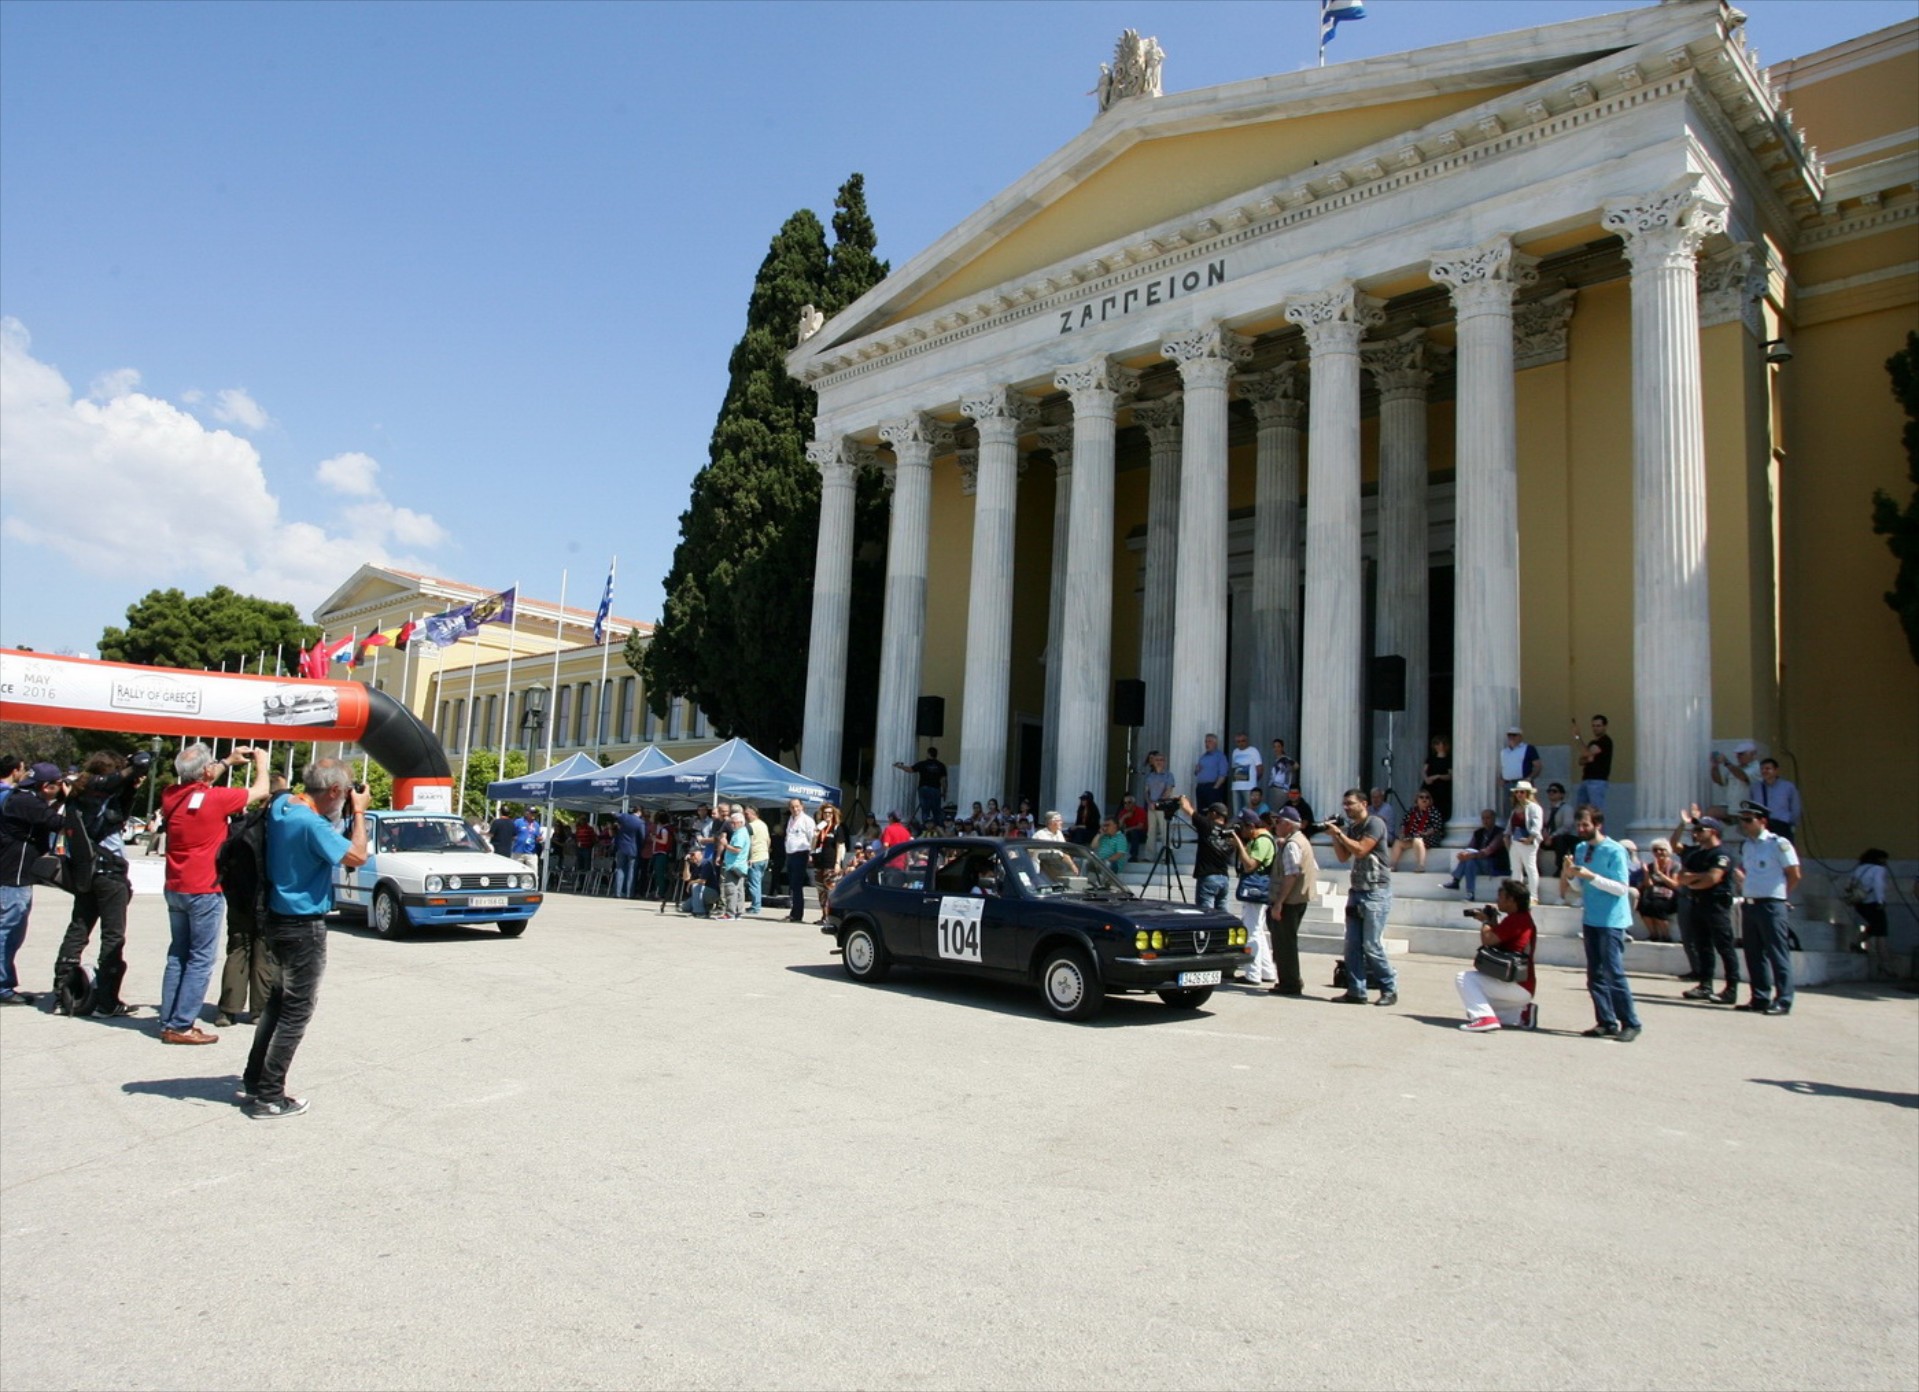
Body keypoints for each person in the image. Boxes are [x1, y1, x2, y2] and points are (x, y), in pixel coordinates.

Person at [246, 758, 369, 1119]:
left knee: (277, 1004)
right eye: (344, 793)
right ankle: (269, 1095)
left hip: (275, 916)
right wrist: (359, 813)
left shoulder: (283, 805)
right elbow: (358, 856)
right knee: (296, 1011)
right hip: (303, 924)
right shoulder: (312, 824)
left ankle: (256, 1079)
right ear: (333, 791)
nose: (347, 798)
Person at [157, 743, 270, 1045]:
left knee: (177, 954)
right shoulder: (216, 799)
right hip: (204, 888)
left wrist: (226, 761)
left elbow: (198, 777)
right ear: (207, 772)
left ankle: (169, 1019)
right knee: (200, 958)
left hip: (175, 886)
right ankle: (181, 1025)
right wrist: (262, 762)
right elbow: (260, 790)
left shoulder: (170, 796)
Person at [53, 748, 152, 1018]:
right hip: (108, 871)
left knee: (79, 927)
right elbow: (114, 784)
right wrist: (133, 768)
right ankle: (107, 1000)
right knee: (113, 935)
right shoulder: (98, 789)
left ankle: (63, 994)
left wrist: (130, 785)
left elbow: (118, 811)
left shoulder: (79, 792)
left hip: (86, 870)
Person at [1567, 805, 1641, 1041]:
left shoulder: (1615, 850)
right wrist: (1570, 876)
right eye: (1578, 825)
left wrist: (1593, 877)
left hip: (1612, 920)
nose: (1581, 829)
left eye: (1585, 825)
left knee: (1614, 973)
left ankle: (1630, 1022)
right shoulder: (1581, 848)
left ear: (1598, 825)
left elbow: (1621, 888)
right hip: (1591, 918)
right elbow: (1579, 887)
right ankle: (1606, 1021)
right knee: (1595, 974)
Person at [0, 762, 67, 1008]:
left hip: (11, 871)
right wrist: (69, 799)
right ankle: (2, 985)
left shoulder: (20, 797)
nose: (61, 788)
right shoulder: (27, 802)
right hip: (14, 875)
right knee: (10, 929)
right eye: (58, 784)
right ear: (45, 786)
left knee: (8, 928)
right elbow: (57, 823)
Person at [1327, 788, 1396, 1006]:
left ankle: (1389, 988)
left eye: (1350, 803)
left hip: (1376, 891)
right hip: (1357, 890)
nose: (1346, 808)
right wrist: (1336, 835)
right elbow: (1342, 856)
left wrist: (1339, 834)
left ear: (1364, 804)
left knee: (1372, 945)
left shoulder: (1374, 823)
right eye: (1344, 804)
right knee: (1352, 945)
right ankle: (1356, 990)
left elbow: (1361, 850)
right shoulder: (1352, 828)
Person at [1734, 801, 1800, 1014]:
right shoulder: (1747, 845)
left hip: (1771, 904)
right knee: (1753, 954)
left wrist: (1781, 896)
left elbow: (1794, 874)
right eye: (1742, 819)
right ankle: (1759, 997)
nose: (1744, 823)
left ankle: (1783, 999)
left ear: (1762, 820)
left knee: (1777, 953)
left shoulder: (1778, 844)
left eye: (1748, 819)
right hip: (1751, 904)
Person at [1674, 808, 1741, 1004]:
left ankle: (1731, 988)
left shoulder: (1721, 854)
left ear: (1712, 831)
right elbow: (1681, 876)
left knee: (1724, 947)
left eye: (1700, 829)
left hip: (1716, 905)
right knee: (1703, 946)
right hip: (1698, 903)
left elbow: (1712, 879)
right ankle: (1705, 985)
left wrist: (1693, 878)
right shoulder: (1696, 854)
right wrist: (1682, 824)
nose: (1696, 833)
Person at [1455, 879, 1538, 1032]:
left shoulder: (1516, 920)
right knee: (1476, 1004)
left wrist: (1486, 921)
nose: (1497, 900)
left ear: (1511, 900)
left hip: (1516, 986)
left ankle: (1484, 1019)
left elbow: (1488, 940)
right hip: (1522, 987)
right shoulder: (1522, 918)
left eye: (1500, 897)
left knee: (1464, 978)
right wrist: (1493, 922)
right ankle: (1522, 1014)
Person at [1266, 806, 1316, 996]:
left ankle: (1290, 983)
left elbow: (1292, 875)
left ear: (1287, 824)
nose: (1275, 825)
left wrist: (1279, 903)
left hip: (1289, 902)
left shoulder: (1292, 845)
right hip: (1299, 899)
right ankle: (1290, 979)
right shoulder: (1301, 841)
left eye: (1278, 822)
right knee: (1286, 941)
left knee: (1284, 943)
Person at [1229, 809, 1276, 985]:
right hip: (1257, 891)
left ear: (1250, 826)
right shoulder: (1258, 839)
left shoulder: (1263, 841)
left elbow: (1250, 866)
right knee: (1258, 931)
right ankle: (1266, 971)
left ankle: (1252, 974)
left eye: (1241, 827)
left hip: (1257, 891)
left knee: (1251, 932)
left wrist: (1239, 844)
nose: (1239, 831)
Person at [1175, 795, 1235, 913]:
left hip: (1208, 876)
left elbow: (1188, 809)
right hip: (1224, 878)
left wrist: (1182, 798)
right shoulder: (1230, 833)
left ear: (1213, 814)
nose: (1207, 816)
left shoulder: (1207, 825)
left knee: (1206, 915)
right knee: (1222, 915)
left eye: (1208, 813)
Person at [1844, 849, 1893, 978]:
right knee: (1881, 932)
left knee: (1874, 926)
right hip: (1873, 903)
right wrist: (1881, 901)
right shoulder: (1878, 869)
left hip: (1859, 902)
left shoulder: (1860, 868)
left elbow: (1850, 883)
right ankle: (1885, 964)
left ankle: (1856, 943)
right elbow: (1878, 885)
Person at [1440, 809, 1508, 898]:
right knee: (1469, 861)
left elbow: (1488, 851)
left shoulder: (1500, 833)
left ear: (1494, 819)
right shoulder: (1478, 833)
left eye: (1488, 818)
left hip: (1493, 864)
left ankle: (1456, 880)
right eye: (1483, 818)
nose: (1485, 821)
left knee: (1470, 858)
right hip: (1479, 862)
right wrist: (1463, 854)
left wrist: (1470, 855)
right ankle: (1470, 893)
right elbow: (1470, 847)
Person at [1637, 839, 1682, 945]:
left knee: (1658, 906)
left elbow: (1675, 885)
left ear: (1668, 851)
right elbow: (1649, 885)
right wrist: (1647, 873)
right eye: (1655, 850)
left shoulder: (1675, 866)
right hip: (1654, 894)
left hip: (1670, 896)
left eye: (1662, 850)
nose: (1658, 852)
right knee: (1644, 905)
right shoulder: (1651, 866)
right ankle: (1654, 935)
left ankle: (1666, 936)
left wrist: (1660, 874)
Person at [1388, 789, 1445, 872]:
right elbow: (1404, 823)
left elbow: (1436, 827)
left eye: (1427, 797)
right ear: (1417, 800)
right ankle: (1392, 866)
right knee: (1398, 842)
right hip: (1412, 836)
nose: (1424, 799)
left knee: (1418, 840)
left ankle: (1420, 866)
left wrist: (1425, 833)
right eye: (1421, 797)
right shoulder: (1411, 811)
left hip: (1429, 837)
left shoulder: (1433, 811)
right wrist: (1403, 833)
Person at [1506, 781, 1544, 903]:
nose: (1519, 794)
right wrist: (1506, 837)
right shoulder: (1516, 808)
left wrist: (1530, 839)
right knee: (1515, 868)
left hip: (1527, 841)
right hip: (1515, 841)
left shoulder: (1534, 807)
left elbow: (1537, 825)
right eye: (1517, 792)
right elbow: (1510, 825)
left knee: (1530, 867)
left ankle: (1533, 896)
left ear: (1528, 793)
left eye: (1522, 792)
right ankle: (1515, 894)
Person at [1749, 759, 1802, 844]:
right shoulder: (1755, 788)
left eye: (1768, 768)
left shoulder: (1788, 787)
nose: (1764, 771)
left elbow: (1795, 808)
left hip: (1782, 826)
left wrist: (1792, 825)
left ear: (1776, 770)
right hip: (1762, 826)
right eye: (1762, 769)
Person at [893, 747, 947, 829]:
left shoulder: (922, 764)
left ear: (928, 754)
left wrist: (900, 766)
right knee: (936, 811)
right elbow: (943, 780)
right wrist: (944, 792)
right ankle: (937, 830)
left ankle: (926, 829)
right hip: (936, 790)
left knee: (925, 810)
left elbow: (910, 769)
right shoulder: (941, 765)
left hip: (924, 789)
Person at [1570, 714, 1614, 812]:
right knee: (1581, 811)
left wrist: (1577, 737)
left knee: (1596, 812)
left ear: (1605, 726)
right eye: (1593, 726)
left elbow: (1586, 753)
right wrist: (1588, 757)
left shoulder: (1605, 741)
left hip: (1597, 781)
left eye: (1598, 726)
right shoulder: (1592, 742)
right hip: (1586, 779)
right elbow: (1581, 761)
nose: (1595, 728)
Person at [782, 800, 816, 923]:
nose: (795, 809)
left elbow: (812, 837)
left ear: (802, 806)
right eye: (792, 807)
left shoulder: (807, 820)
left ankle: (797, 914)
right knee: (792, 884)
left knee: (797, 884)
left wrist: (811, 854)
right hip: (790, 854)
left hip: (801, 853)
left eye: (797, 806)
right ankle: (794, 911)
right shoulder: (790, 819)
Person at [812, 805, 846, 921]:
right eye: (825, 813)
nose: (827, 815)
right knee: (821, 891)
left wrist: (837, 863)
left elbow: (839, 846)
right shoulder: (820, 827)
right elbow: (813, 847)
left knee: (830, 891)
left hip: (831, 864)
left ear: (833, 814)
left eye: (830, 813)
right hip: (819, 863)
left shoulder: (836, 828)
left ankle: (832, 918)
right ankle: (824, 916)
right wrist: (815, 837)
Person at [714, 811, 749, 920]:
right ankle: (738, 912)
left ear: (740, 822)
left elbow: (737, 849)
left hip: (735, 865)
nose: (731, 825)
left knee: (730, 889)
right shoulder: (741, 832)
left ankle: (730, 913)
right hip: (738, 865)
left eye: (733, 823)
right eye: (731, 823)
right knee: (738, 890)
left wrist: (725, 844)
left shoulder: (740, 833)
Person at [1539, 783, 1576, 884]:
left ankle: (1560, 868)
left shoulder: (1567, 808)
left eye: (1554, 791)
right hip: (1549, 838)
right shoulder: (1547, 810)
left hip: (1564, 837)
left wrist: (1552, 836)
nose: (1551, 793)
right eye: (1549, 791)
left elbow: (1567, 826)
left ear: (1562, 795)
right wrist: (1544, 835)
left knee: (1561, 840)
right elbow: (1544, 825)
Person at [1140, 751, 1174, 858]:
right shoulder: (1150, 776)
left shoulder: (1169, 775)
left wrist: (1158, 803)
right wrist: (1150, 803)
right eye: (1157, 760)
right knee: (1151, 832)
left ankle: (1166, 856)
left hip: (1163, 807)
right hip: (1151, 807)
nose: (1159, 762)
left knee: (1165, 832)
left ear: (1165, 762)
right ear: (1153, 762)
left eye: (1161, 760)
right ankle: (1149, 856)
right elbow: (1146, 792)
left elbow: (1168, 791)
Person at [612, 808, 647, 899]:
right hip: (633, 849)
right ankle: (629, 893)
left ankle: (617, 892)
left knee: (620, 869)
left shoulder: (624, 816)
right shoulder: (640, 822)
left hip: (621, 847)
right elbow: (643, 837)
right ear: (639, 812)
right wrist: (640, 846)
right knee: (632, 871)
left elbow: (613, 813)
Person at [1192, 734, 1230, 811]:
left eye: (1209, 741)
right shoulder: (1203, 757)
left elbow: (1223, 774)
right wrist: (1196, 770)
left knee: (1213, 811)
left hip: (1212, 787)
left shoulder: (1220, 756)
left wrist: (1215, 788)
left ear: (1215, 743)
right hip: (1201, 787)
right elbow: (1196, 773)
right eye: (1205, 742)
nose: (1206, 744)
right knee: (1201, 811)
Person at [744, 806, 771, 914]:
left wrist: (749, 858)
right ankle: (756, 905)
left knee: (754, 884)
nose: (745, 816)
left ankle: (756, 907)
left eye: (746, 814)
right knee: (757, 883)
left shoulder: (750, 826)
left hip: (755, 858)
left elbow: (748, 843)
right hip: (764, 856)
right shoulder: (763, 824)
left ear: (751, 814)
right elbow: (768, 840)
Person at [1421, 735, 1453, 820]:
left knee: (1440, 809)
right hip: (1430, 787)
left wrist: (1438, 776)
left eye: (1443, 744)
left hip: (1442, 789)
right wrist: (1426, 778)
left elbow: (1450, 775)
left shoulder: (1449, 759)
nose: (1441, 746)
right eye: (1438, 744)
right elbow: (1424, 771)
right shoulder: (1431, 758)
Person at [1228, 733, 1261, 812]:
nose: (1241, 743)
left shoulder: (1253, 751)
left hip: (1249, 787)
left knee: (1250, 811)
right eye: (1238, 741)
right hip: (1236, 786)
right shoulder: (1235, 752)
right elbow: (1233, 767)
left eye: (1243, 741)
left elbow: (1259, 768)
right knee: (1237, 811)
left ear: (1247, 741)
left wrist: (1254, 781)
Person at [1117, 794, 1147, 860]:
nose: (1127, 804)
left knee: (1134, 832)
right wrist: (1124, 817)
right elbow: (1118, 826)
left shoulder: (1140, 811)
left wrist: (1128, 829)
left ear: (1134, 803)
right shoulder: (1123, 812)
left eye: (1129, 802)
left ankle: (1134, 856)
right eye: (1125, 803)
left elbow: (1140, 826)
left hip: (1141, 834)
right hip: (1129, 834)